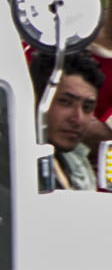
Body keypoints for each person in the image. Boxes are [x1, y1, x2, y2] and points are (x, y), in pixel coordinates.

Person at [39, 49, 104, 193]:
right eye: (65, 102)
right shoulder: (4, 162)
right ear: (36, 99)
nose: (78, 119)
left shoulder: (79, 164)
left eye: (87, 107)